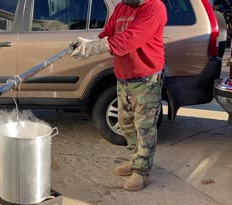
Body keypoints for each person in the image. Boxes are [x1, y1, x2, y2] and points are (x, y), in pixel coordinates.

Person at [70, 0, 167, 191]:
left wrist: (95, 48)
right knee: (126, 123)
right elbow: (108, 33)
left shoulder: (154, 7)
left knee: (144, 128)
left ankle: (142, 171)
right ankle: (135, 159)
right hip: (124, 77)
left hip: (145, 78)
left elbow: (130, 39)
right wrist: (89, 43)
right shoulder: (123, 7)